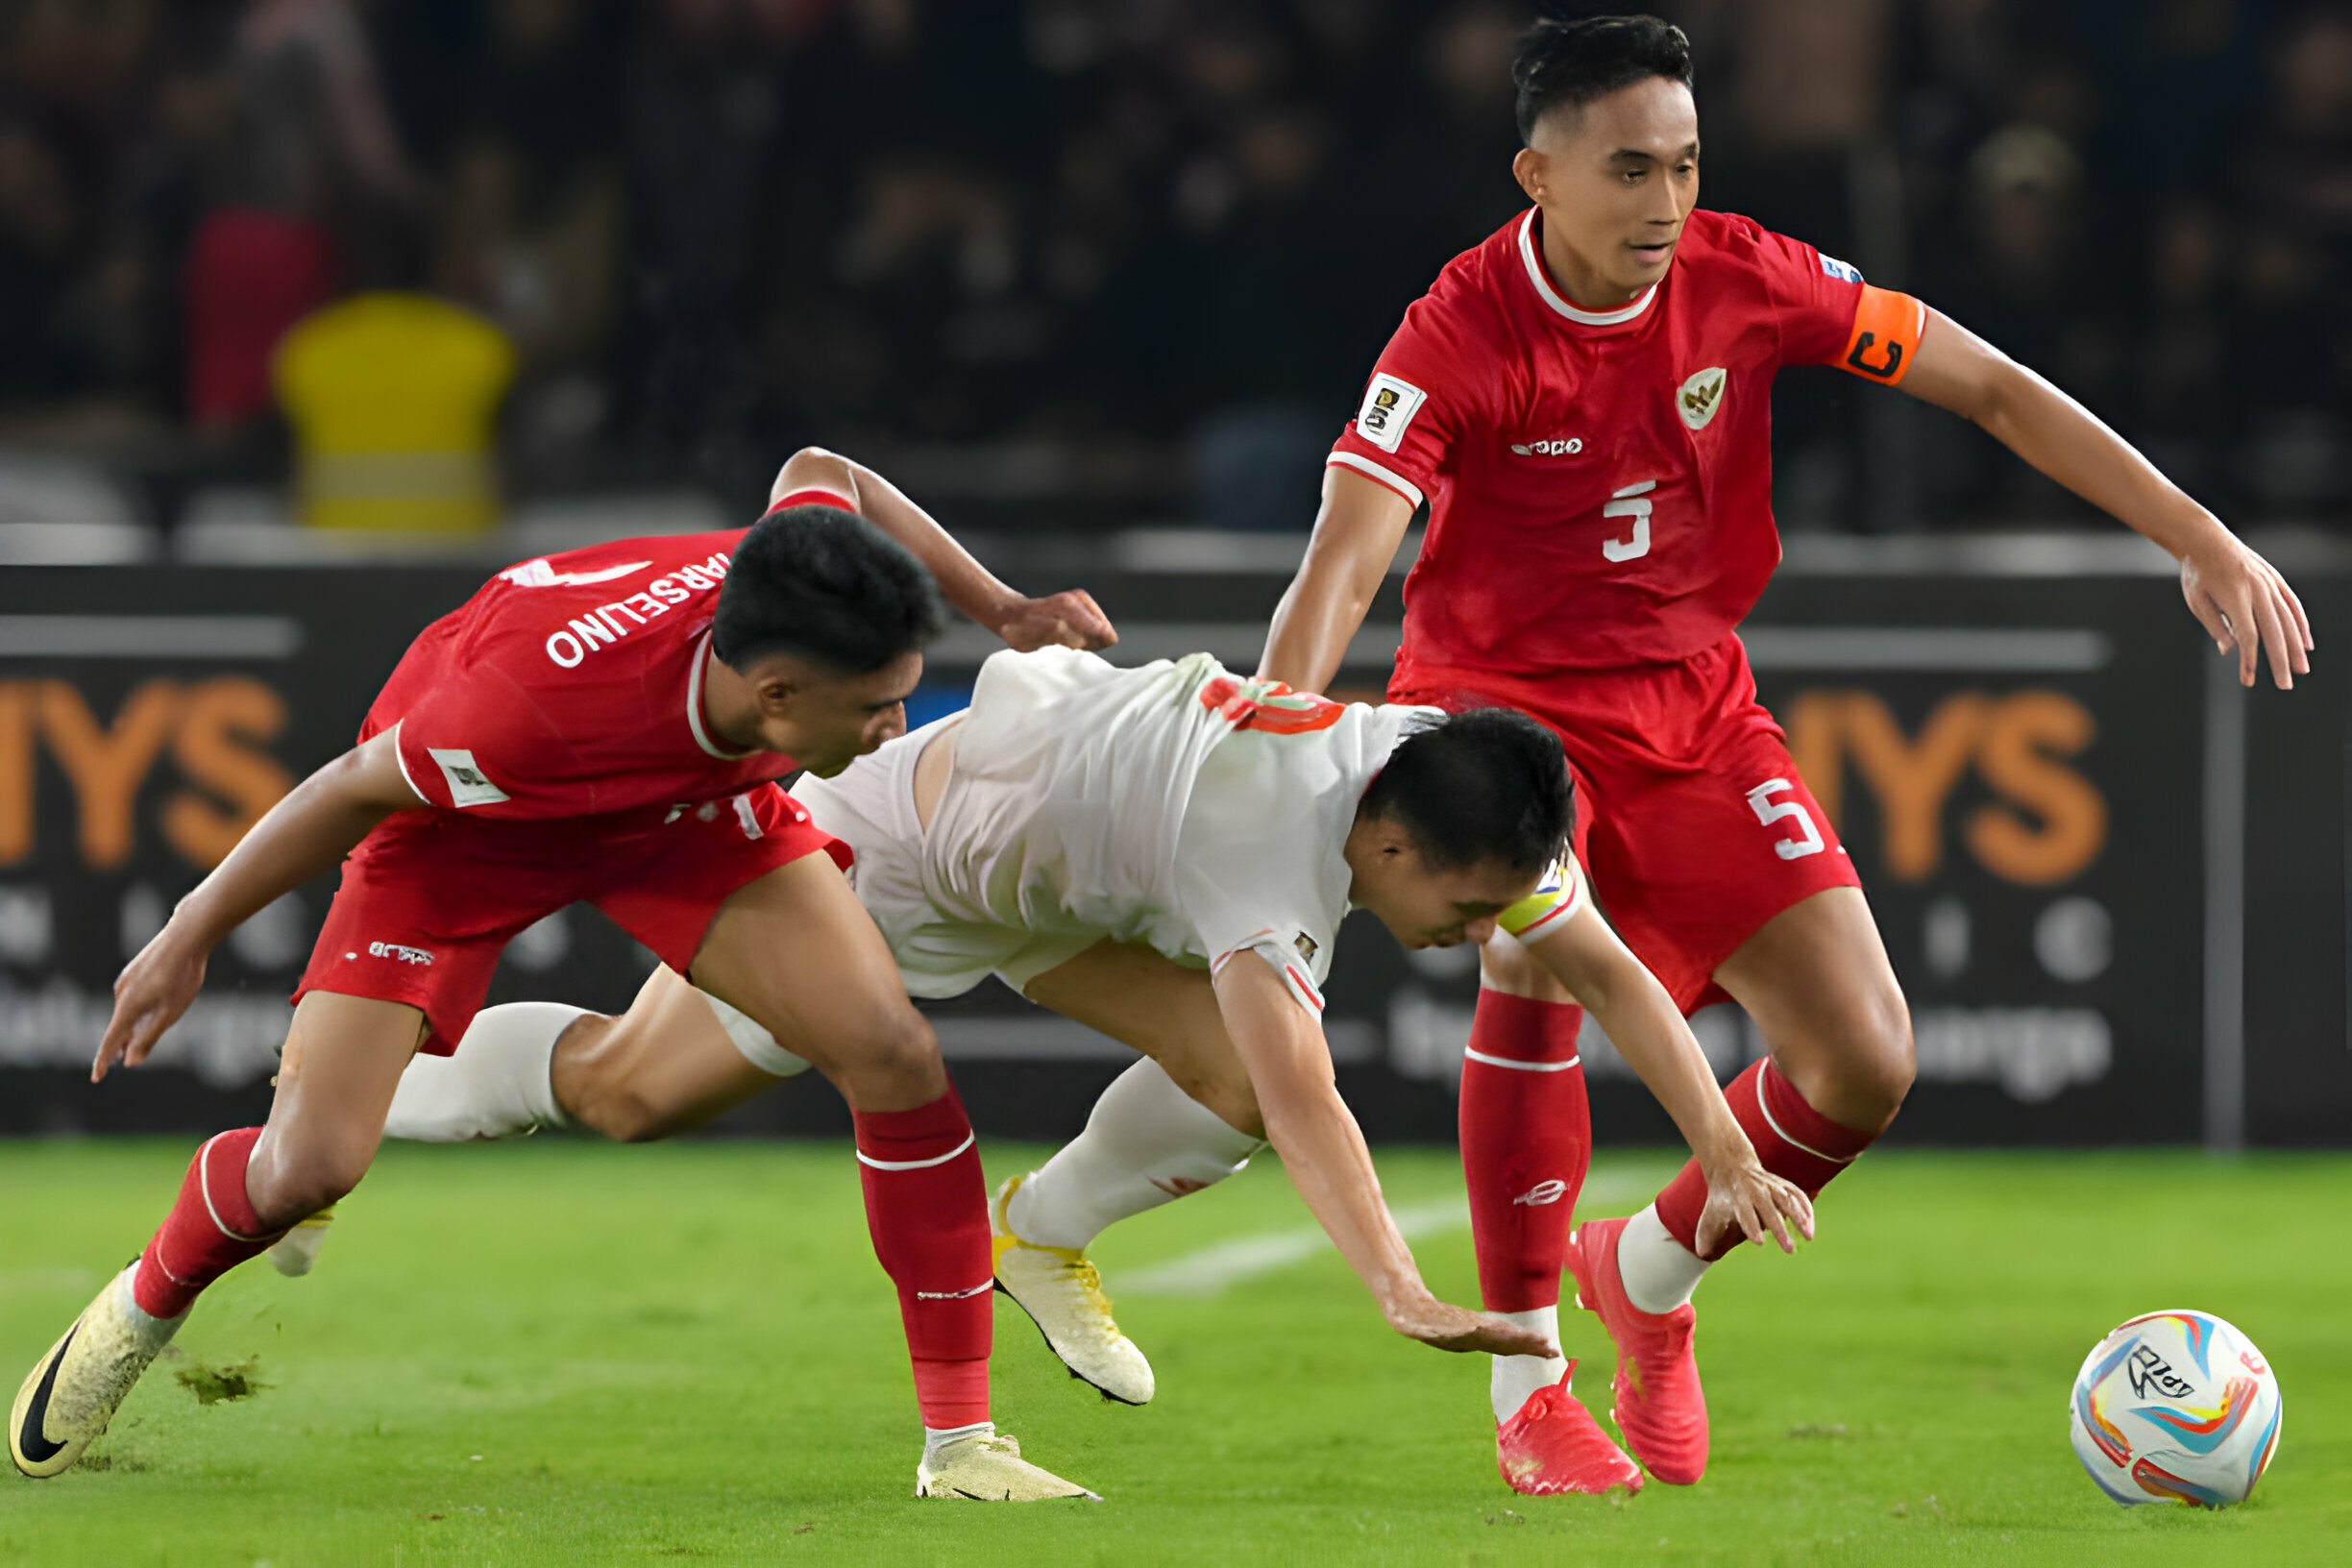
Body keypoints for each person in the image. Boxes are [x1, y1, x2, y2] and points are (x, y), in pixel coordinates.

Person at [1240, 14, 2311, 1493]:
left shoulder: (1747, 276)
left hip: (1694, 705)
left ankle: (1649, 1275)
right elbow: (1345, 560)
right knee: (1532, 956)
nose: (1666, 202)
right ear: (1537, 176)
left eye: (1685, 164)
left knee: (1865, 1062)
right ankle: (1530, 1386)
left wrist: (2195, 534)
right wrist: (1271, 744)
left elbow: (1989, 384)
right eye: (1630, 170)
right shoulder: (1458, 330)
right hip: (1501, 708)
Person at [372, 645, 1814, 1495]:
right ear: (1386, 847)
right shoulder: (1263, 857)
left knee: (1226, 1084)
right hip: (898, 853)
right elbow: (1308, 1098)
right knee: (633, 1090)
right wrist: (1401, 1290)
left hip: (1061, 866)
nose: (1476, 933)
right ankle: (356, 1099)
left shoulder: (1453, 774)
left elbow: (1608, 970)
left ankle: (1039, 1232)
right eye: (1465, 908)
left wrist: (1727, 1149)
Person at [10, 449, 1116, 1502]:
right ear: (776, 696)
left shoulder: (793, 573)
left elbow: (824, 471)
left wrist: (1004, 610)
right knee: (306, 1170)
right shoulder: (519, 715)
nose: (894, 726)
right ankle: (141, 1307)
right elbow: (349, 786)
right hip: (465, 833)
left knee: (889, 1054)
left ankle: (961, 1445)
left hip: (686, 812)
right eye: (875, 706)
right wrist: (188, 932)